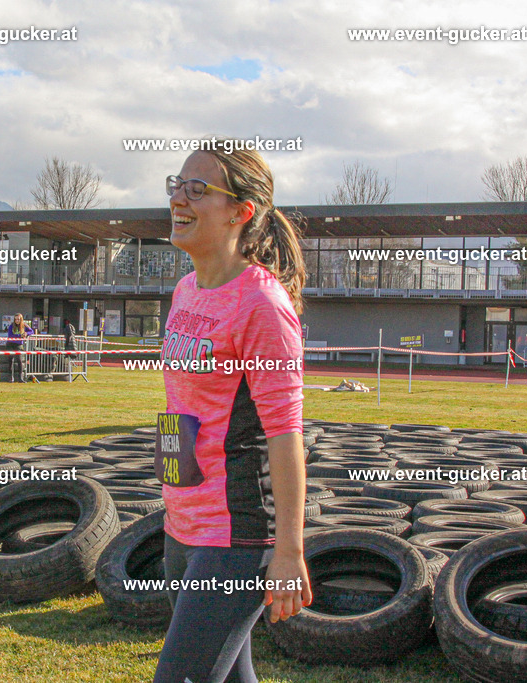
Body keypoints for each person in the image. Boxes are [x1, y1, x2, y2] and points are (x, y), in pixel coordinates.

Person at [154, 143, 312, 683]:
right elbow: (184, 407)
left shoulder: (263, 306)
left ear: (241, 212)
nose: (179, 197)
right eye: (176, 184)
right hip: (183, 518)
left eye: (198, 189)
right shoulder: (185, 289)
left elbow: (285, 432)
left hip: (236, 533)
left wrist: (289, 551)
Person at [5, 313, 34, 382]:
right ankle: (10, 378)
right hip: (10, 344)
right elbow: (10, 335)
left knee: (19, 360)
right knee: (10, 360)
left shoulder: (24, 325)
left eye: (18, 319)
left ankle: (20, 378)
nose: (17, 321)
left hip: (18, 345)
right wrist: (20, 335)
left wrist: (26, 333)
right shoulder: (11, 326)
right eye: (15, 319)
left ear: (21, 319)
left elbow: (31, 331)